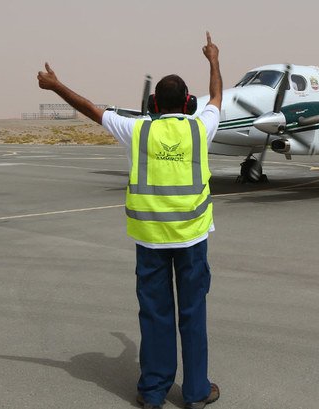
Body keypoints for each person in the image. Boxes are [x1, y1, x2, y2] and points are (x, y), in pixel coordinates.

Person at [37, 31, 223, 409]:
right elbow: (218, 96)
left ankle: (153, 392)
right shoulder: (201, 126)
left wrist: (56, 86)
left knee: (155, 315)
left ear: (154, 103)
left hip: (150, 241)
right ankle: (196, 392)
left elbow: (92, 109)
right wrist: (214, 60)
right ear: (188, 103)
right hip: (192, 239)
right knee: (193, 314)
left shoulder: (137, 129)